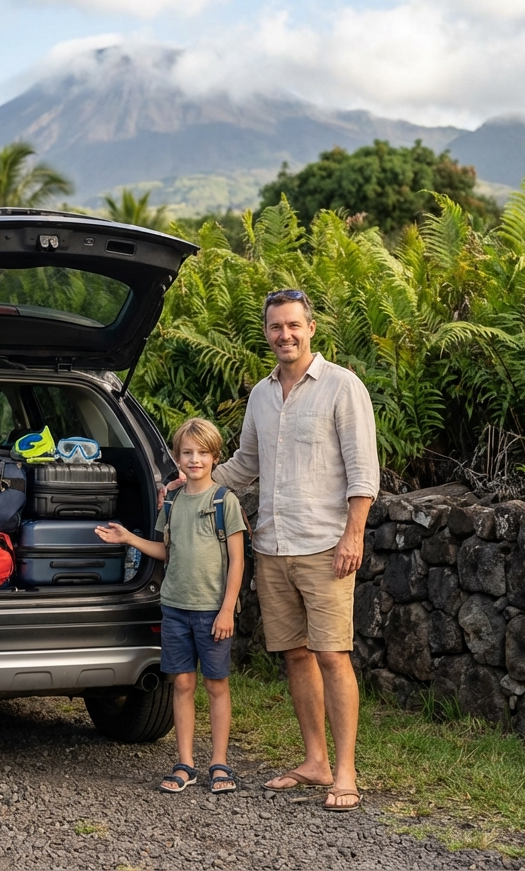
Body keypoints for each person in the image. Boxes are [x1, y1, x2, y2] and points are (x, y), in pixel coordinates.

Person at [211, 288, 379, 812]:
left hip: (325, 544)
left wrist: (354, 535)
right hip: (273, 544)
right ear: (266, 333)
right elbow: (245, 464)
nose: (285, 334)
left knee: (332, 654)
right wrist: (192, 480)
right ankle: (315, 762)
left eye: (293, 326)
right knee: (296, 655)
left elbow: (362, 470)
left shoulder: (341, 386)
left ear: (311, 329)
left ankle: (346, 772)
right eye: (275, 327)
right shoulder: (261, 395)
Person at [96, 418, 246, 795]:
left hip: (213, 611)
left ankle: (220, 763)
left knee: (216, 684)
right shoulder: (174, 501)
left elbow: (238, 561)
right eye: (187, 453)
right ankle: (185, 763)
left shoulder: (224, 501)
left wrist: (227, 609)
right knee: (181, 683)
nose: (194, 460)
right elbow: (166, 550)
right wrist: (128, 537)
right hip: (175, 607)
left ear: (215, 456)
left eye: (202, 453)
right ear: (178, 458)